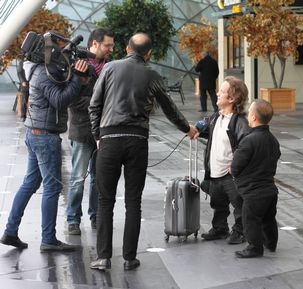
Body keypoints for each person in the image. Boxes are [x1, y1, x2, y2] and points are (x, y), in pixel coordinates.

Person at [88, 33, 197, 271]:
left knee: (105, 200)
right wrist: (187, 128)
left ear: (127, 48)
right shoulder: (152, 75)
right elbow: (169, 108)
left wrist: (98, 136)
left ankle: (103, 257)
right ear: (148, 53)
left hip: (109, 140)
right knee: (133, 201)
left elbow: (94, 105)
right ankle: (129, 258)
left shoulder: (109, 68)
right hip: (137, 141)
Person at [0, 33, 88, 252]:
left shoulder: (39, 70)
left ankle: (11, 232)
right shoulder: (43, 73)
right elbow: (59, 100)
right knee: (52, 187)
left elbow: (61, 89)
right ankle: (48, 239)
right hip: (44, 136)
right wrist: (77, 78)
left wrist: (74, 76)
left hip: (35, 132)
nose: (57, 50)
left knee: (30, 183)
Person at [66, 28, 114, 236]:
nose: (111, 49)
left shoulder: (110, 68)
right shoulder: (78, 66)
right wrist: (99, 104)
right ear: (94, 44)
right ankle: (73, 219)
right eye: (107, 46)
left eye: (112, 45)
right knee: (78, 178)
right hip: (82, 130)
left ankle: (96, 216)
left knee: (98, 178)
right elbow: (73, 100)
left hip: (103, 132)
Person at [195, 76, 249, 245]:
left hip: (230, 174)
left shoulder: (239, 122)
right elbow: (208, 129)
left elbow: (246, 146)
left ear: (232, 99)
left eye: (222, 91)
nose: (217, 93)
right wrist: (196, 129)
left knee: (238, 205)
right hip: (215, 171)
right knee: (218, 203)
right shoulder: (216, 117)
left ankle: (240, 231)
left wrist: (236, 166)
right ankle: (220, 228)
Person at [231, 99, 281, 258]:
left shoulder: (248, 140)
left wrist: (233, 171)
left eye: (249, 112)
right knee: (268, 219)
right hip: (270, 189)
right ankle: (270, 243)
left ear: (253, 117)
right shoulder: (273, 140)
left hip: (253, 192)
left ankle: (254, 247)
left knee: (250, 219)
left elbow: (236, 166)